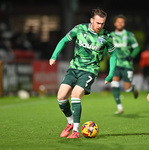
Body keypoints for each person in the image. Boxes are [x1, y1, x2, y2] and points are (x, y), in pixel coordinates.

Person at [49, 8, 116, 139]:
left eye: (102, 23)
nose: (100, 26)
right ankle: (70, 122)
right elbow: (64, 40)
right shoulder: (79, 29)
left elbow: (113, 55)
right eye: (97, 23)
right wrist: (54, 55)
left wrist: (110, 74)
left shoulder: (107, 36)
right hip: (74, 68)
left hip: (89, 71)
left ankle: (75, 131)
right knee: (61, 96)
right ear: (91, 20)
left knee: (76, 94)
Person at [110, 15, 140, 114]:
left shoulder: (129, 35)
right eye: (118, 22)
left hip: (127, 64)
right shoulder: (111, 35)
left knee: (127, 89)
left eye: (122, 22)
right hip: (116, 64)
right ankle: (119, 108)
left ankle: (132, 88)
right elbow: (106, 47)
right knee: (114, 83)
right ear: (114, 23)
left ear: (124, 24)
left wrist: (131, 56)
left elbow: (136, 48)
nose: (120, 24)